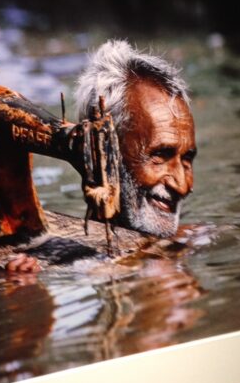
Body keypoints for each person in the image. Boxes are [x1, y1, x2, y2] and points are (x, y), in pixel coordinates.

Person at [74, 40, 197, 238]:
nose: (182, 185)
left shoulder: (195, 239)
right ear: (102, 151)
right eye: (159, 156)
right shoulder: (39, 265)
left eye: (187, 159)